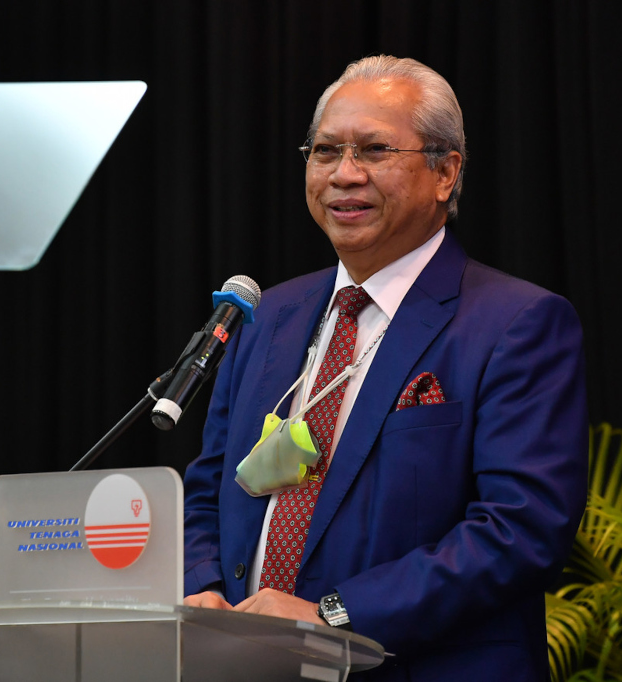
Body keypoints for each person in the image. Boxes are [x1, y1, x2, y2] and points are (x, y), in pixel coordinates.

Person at [182, 55, 588, 681]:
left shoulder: (518, 322)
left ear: (445, 173)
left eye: (374, 150)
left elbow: (520, 529)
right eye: (325, 151)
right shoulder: (270, 315)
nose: (345, 175)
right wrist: (203, 590)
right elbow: (208, 487)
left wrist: (334, 615)